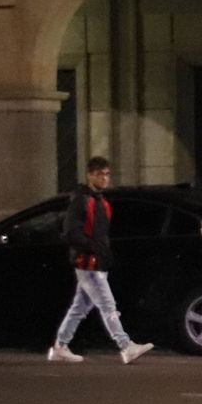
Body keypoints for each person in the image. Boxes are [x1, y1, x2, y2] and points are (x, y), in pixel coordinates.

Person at [47, 156, 155, 365]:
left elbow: (99, 234)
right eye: (99, 174)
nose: (104, 178)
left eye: (106, 174)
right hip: (88, 263)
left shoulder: (100, 201)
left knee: (79, 308)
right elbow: (71, 232)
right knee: (108, 305)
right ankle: (125, 346)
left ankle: (60, 346)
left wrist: (103, 254)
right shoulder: (82, 201)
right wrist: (93, 249)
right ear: (90, 175)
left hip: (97, 262)